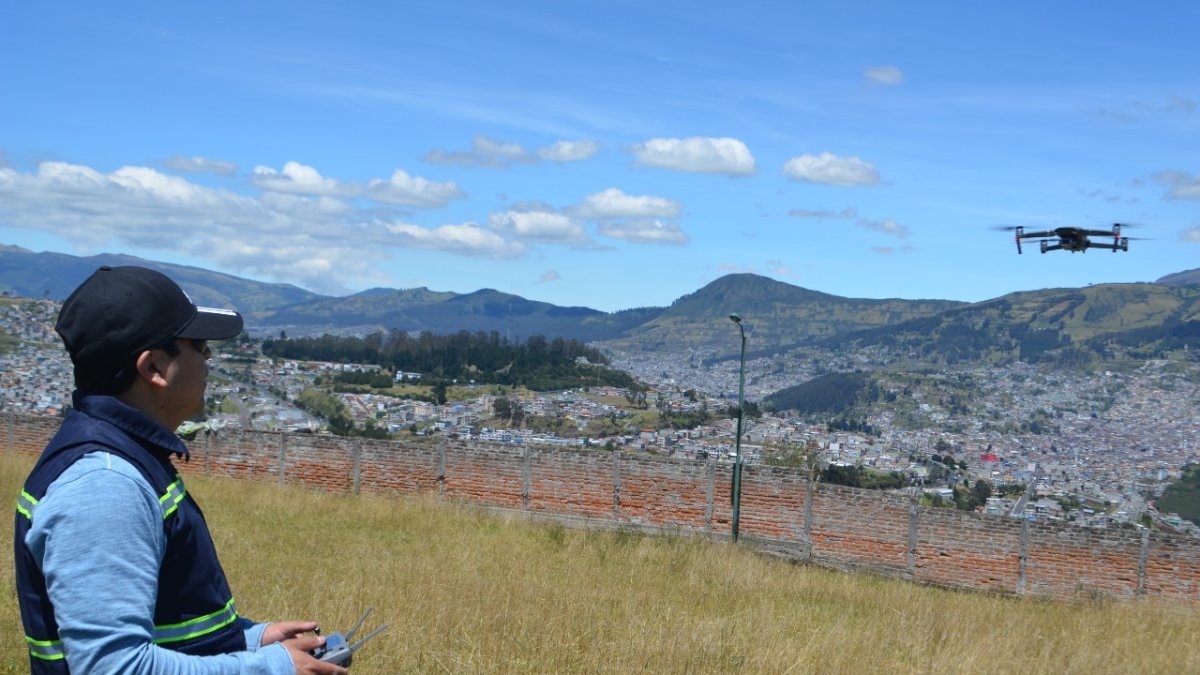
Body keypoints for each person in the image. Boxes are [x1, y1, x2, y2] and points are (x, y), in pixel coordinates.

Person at [14, 266, 347, 674]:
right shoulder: (105, 485)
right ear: (154, 366)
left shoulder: (128, 459)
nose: (208, 356)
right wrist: (268, 669)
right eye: (199, 344)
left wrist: (248, 640)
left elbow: (159, 628)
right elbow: (116, 667)